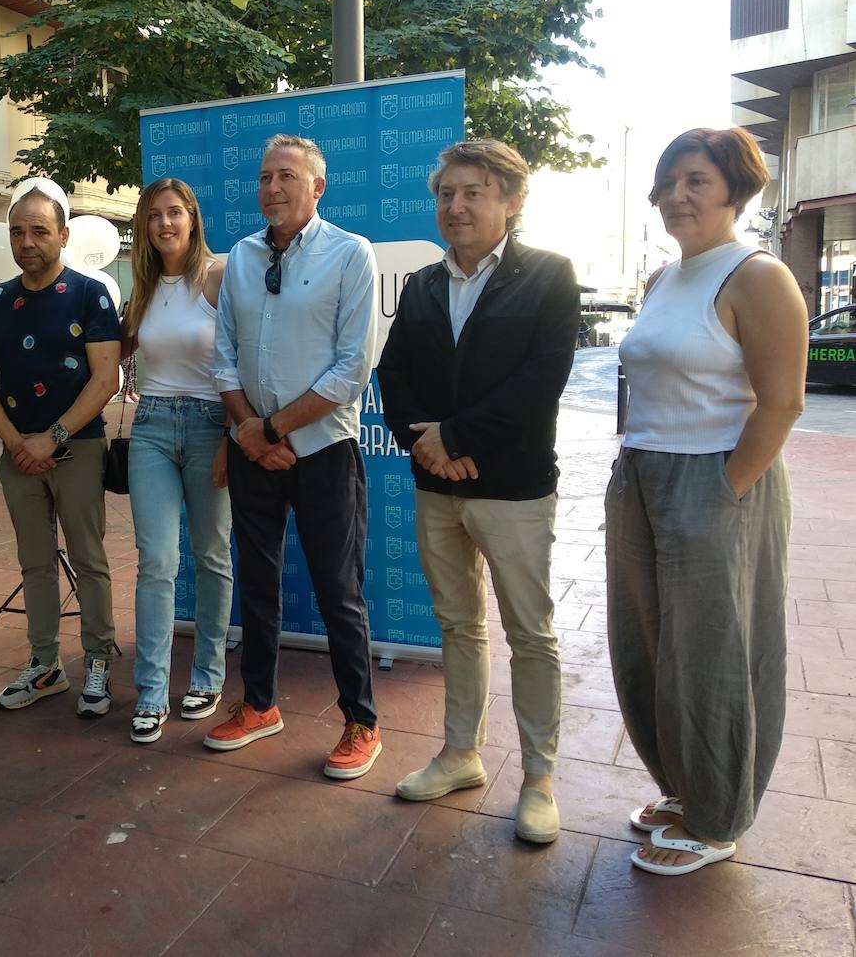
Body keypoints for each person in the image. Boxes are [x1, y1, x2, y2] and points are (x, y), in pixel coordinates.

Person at [608, 127, 806, 876]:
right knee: (648, 643)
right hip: (643, 474)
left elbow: (782, 403)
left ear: (734, 191)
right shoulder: (664, 279)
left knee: (716, 649)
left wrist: (725, 489)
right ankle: (684, 788)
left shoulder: (758, 276)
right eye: (669, 182)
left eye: (696, 180)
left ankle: (718, 814)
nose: (677, 196)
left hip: (718, 475)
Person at [376, 138, 579, 844]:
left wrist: (456, 437)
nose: (455, 206)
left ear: (512, 200)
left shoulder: (549, 277)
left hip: (514, 487)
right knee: (458, 624)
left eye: (473, 192)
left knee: (530, 632)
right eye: (446, 194)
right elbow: (392, 375)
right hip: (436, 485)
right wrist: (424, 442)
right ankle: (461, 753)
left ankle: (539, 779)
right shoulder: (424, 285)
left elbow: (538, 384)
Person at [207, 134, 382, 780]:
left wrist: (270, 429)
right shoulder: (243, 260)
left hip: (324, 450)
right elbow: (222, 355)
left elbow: (350, 370)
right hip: (254, 446)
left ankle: (362, 718)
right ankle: (259, 704)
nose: (273, 187)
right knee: (256, 583)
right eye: (264, 177)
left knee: (340, 591)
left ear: (317, 186)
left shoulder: (350, 254)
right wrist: (248, 431)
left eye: (287, 176)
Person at [0, 180, 122, 716]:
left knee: (89, 559)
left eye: (39, 231)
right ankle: (44, 665)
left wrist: (50, 438)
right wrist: (17, 444)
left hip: (77, 447)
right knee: (34, 562)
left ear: (62, 235)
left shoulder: (89, 294)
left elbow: (106, 377)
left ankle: (98, 661)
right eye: (18, 231)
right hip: (18, 457)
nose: (27, 241)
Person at [120, 178, 233, 743]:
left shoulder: (220, 274)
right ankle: (150, 689)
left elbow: (244, 358)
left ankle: (209, 675)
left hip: (213, 423)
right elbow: (108, 358)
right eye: (154, 215)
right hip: (153, 428)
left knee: (211, 554)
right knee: (157, 561)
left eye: (174, 213)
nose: (164, 224)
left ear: (192, 218)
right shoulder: (140, 288)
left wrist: (235, 437)